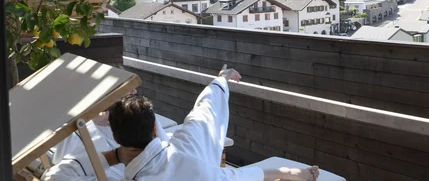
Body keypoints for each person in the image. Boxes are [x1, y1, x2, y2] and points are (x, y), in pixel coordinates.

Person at [43, 65, 319, 181]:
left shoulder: (118, 165)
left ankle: (284, 173)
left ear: (114, 135)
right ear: (154, 127)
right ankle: (285, 173)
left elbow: (56, 176)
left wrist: (114, 156)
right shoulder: (191, 163)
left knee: (202, 129)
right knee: (204, 128)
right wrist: (221, 80)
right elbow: (205, 115)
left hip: (157, 156)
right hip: (185, 162)